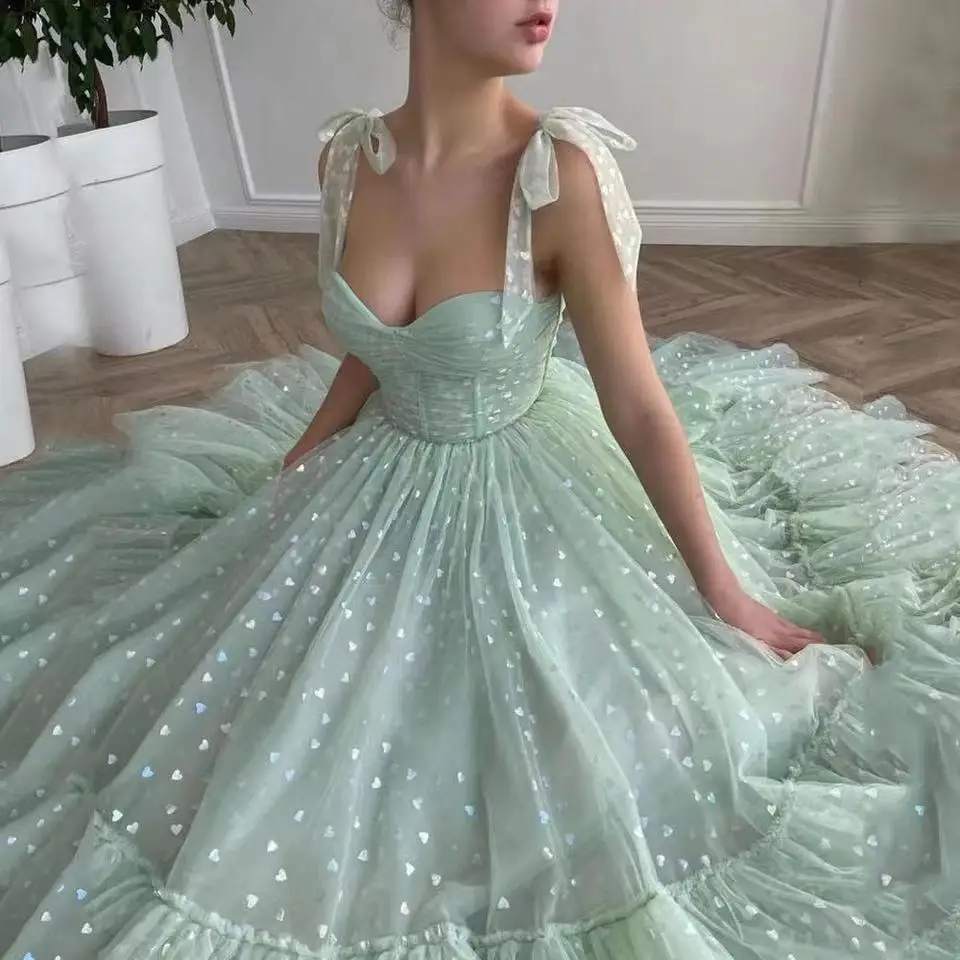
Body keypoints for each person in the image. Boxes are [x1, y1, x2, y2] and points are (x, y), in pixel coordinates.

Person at [2, 1, 959, 957]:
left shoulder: (558, 175)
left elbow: (638, 406)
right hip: (379, 470)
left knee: (578, 728)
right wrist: (309, 450)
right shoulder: (347, 160)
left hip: (525, 482)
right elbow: (380, 348)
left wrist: (725, 593)